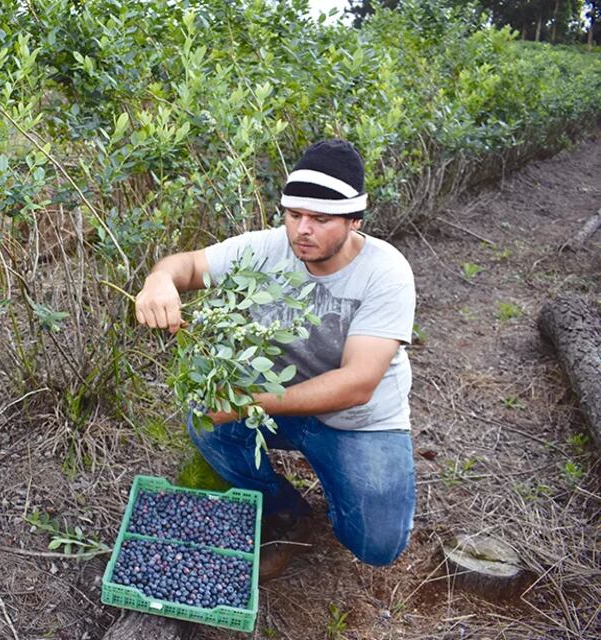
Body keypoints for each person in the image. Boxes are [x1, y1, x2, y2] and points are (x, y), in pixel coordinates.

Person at [134, 139, 416, 581]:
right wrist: (159, 280)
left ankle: (338, 486)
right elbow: (184, 265)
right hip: (277, 405)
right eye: (294, 215)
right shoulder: (265, 249)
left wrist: (249, 403)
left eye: (321, 219)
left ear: (354, 220)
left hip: (357, 421)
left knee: (377, 545)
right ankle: (286, 513)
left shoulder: (386, 273)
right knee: (207, 422)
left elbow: (357, 383)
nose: (303, 230)